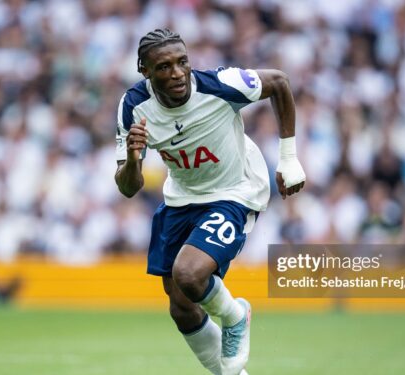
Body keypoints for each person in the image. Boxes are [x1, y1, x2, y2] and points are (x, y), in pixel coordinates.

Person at [114, 28, 305, 375]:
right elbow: (129, 187)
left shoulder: (220, 85)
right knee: (182, 307)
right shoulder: (133, 107)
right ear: (144, 70)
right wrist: (132, 156)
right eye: (164, 67)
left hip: (236, 190)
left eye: (182, 62)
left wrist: (289, 158)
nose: (176, 73)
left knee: (188, 274)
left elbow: (278, 82)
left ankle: (235, 315)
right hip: (182, 197)